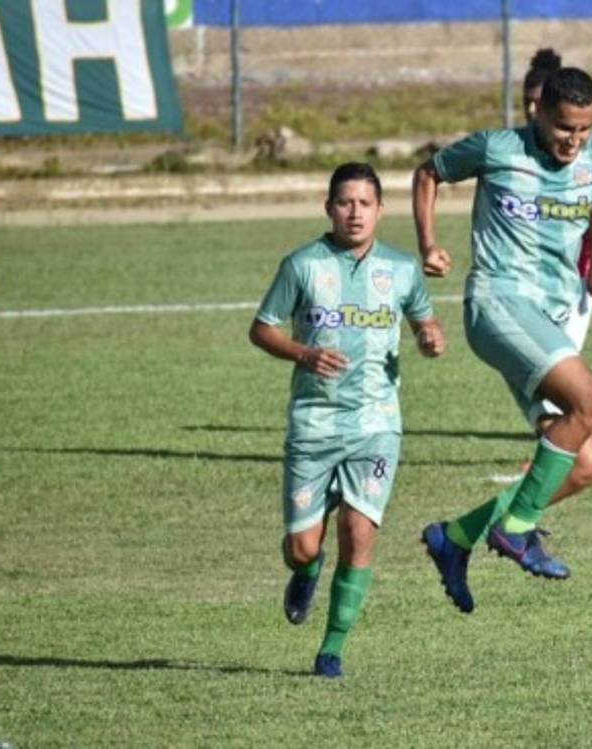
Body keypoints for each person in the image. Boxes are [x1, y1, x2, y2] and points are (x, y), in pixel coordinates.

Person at [413, 66, 592, 613]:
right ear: (539, 113)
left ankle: (454, 538)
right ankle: (517, 528)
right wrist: (428, 243)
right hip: (498, 305)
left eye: (584, 131)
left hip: (548, 322)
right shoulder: (498, 148)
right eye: (564, 128)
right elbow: (428, 174)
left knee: (584, 465)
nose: (574, 141)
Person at [249, 162, 445, 677]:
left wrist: (430, 338)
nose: (354, 213)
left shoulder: (402, 269)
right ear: (329, 207)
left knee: (359, 534)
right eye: (345, 202)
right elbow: (262, 329)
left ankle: (331, 649)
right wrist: (303, 353)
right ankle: (306, 570)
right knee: (301, 547)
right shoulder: (302, 265)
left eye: (365, 203)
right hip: (314, 424)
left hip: (376, 425)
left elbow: (426, 322)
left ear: (381, 210)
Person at [519, 48, 592, 504]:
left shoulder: (581, 153)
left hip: (572, 282)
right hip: (524, 292)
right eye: (527, 103)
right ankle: (552, 454)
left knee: (562, 375)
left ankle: (552, 453)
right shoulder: (516, 152)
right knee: (551, 376)